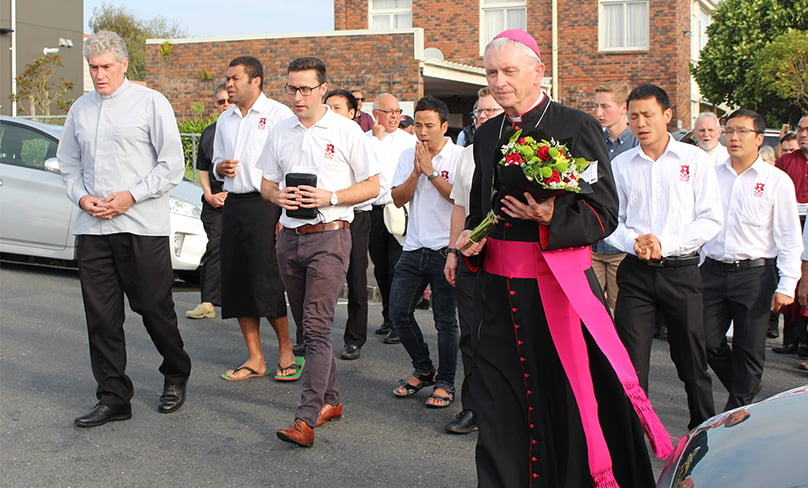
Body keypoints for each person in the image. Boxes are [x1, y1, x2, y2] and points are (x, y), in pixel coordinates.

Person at [458, 31, 672, 487]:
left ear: (538, 71)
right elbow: (484, 210)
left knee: (571, 400)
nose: (498, 82)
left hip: (557, 292)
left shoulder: (576, 126)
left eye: (509, 71)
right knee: (497, 401)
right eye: (491, 72)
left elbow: (604, 212)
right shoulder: (487, 132)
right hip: (499, 295)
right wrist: (471, 240)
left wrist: (554, 214)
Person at [58, 30, 192, 427]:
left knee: (153, 306)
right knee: (101, 317)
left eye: (106, 67)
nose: (99, 75)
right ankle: (113, 395)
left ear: (123, 65)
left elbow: (171, 165)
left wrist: (131, 196)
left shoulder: (151, 103)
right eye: (93, 68)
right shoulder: (79, 109)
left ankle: (176, 370)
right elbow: (68, 164)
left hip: (140, 224)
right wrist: (82, 198)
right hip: (93, 227)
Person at [261, 57, 379, 447]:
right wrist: (276, 194)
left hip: (331, 235)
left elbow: (373, 186)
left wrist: (329, 196)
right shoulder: (280, 131)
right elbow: (265, 182)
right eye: (291, 88)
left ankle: (305, 417)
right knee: (307, 328)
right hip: (289, 236)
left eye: (305, 89)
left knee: (315, 327)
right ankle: (331, 400)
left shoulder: (346, 131)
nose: (297, 96)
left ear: (323, 89)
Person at [607, 83, 723, 430]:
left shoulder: (694, 160)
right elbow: (612, 221)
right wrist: (634, 243)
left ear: (668, 116)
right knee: (631, 362)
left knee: (691, 360)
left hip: (681, 271)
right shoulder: (622, 164)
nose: (641, 123)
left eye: (648, 115)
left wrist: (664, 243)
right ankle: (633, 435)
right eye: (634, 117)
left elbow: (711, 218)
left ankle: (702, 429)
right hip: (636, 273)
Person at [701, 108, 802, 410]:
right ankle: (744, 386)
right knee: (705, 341)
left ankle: (736, 412)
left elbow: (788, 236)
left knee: (749, 348)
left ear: (759, 138)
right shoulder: (711, 176)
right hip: (713, 271)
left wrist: (787, 283)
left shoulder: (776, 181)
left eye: (742, 131)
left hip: (755, 275)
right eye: (729, 130)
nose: (734, 137)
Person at [212, 56, 299, 382]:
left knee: (268, 279)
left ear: (256, 81)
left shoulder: (279, 115)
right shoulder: (226, 120)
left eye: (235, 78)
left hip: (269, 206)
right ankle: (255, 357)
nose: (229, 84)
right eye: (227, 78)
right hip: (235, 203)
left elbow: (291, 165)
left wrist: (285, 213)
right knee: (236, 281)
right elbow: (217, 160)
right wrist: (221, 167)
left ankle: (286, 350)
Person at [389, 96, 462, 410]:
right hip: (414, 246)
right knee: (398, 313)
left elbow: (458, 199)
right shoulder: (408, 154)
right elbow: (396, 198)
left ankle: (446, 382)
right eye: (417, 124)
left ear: (444, 126)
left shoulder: (460, 157)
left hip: (447, 248)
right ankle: (424, 368)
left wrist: (431, 172)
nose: (422, 131)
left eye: (429, 125)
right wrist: (417, 172)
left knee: (445, 322)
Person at [443, 86, 502, 434]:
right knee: (471, 334)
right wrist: (452, 251)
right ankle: (473, 407)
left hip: (508, 255)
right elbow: (460, 208)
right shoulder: (466, 155)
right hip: (470, 253)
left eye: (490, 112)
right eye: (479, 113)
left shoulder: (517, 153)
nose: (482, 118)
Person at [325, 88, 373, 360]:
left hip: (355, 216)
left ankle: (354, 338)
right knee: (319, 282)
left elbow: (374, 186)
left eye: (338, 108)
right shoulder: (316, 137)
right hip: (324, 218)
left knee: (355, 278)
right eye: (327, 107)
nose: (331, 113)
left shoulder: (361, 141)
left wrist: (340, 197)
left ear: (354, 113)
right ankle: (310, 337)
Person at [367, 93, 417, 344]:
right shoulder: (365, 140)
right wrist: (375, 139)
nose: (395, 116)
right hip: (373, 210)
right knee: (381, 268)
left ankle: (400, 320)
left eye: (398, 111)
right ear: (376, 113)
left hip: (398, 208)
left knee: (398, 266)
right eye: (389, 111)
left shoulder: (408, 141)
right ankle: (388, 315)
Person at [186, 84, 233, 319]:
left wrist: (231, 193)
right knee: (215, 246)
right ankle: (208, 301)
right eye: (221, 102)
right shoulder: (209, 132)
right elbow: (202, 168)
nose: (225, 105)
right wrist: (208, 194)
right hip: (214, 197)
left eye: (228, 101)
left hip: (241, 197)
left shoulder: (247, 131)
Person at [591, 80, 637, 311]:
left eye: (605, 106)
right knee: (590, 308)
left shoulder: (636, 144)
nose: (599, 113)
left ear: (623, 108)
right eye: (596, 106)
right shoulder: (594, 141)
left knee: (621, 312)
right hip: (594, 242)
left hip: (622, 244)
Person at [774, 115, 808, 359]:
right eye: (800, 129)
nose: (803, 134)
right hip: (790, 221)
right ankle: (791, 340)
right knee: (789, 284)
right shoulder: (785, 162)